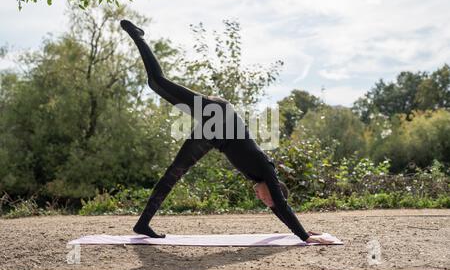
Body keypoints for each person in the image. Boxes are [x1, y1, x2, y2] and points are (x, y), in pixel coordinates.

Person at [120, 20, 331, 244]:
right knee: (157, 82)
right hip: (220, 115)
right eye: (265, 198)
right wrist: (305, 236)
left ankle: (143, 223)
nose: (259, 198)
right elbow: (281, 205)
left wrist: (302, 231)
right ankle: (138, 36)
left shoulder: (258, 178)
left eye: (263, 202)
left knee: (174, 172)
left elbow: (277, 208)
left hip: (215, 136)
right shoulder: (265, 168)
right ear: (273, 190)